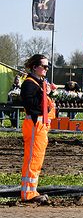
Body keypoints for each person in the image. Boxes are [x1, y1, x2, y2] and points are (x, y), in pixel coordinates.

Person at [20, 54, 57, 202]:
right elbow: (32, 105)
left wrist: (49, 93)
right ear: (34, 67)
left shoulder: (38, 82)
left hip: (41, 125)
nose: (47, 68)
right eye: (44, 66)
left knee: (37, 159)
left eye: (48, 66)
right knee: (33, 159)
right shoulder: (29, 83)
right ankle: (28, 194)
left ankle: (31, 191)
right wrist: (44, 93)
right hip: (35, 124)